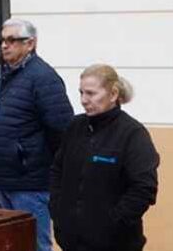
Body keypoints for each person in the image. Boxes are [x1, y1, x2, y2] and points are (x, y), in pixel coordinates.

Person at [0, 18, 73, 251]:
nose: (4, 45)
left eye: (12, 40)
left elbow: (62, 130)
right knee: (13, 243)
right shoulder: (11, 74)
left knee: (36, 244)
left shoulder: (43, 77)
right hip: (8, 179)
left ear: (31, 43)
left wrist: (37, 164)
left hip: (31, 183)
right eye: (2, 40)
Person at [50, 64, 159, 251]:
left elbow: (144, 188)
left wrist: (112, 224)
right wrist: (58, 212)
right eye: (81, 93)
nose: (84, 100)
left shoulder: (132, 133)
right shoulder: (75, 127)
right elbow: (57, 170)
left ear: (114, 94)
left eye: (91, 93)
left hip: (115, 244)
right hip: (71, 242)